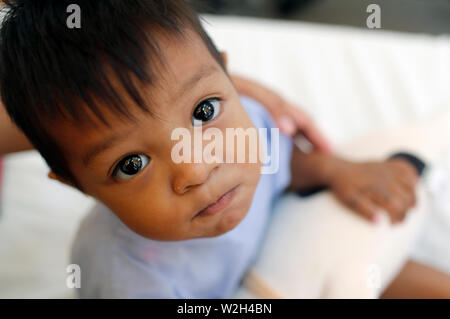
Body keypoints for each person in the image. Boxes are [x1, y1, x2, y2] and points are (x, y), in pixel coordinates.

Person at [0, 0, 448, 298]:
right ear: (76, 185)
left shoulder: (250, 118)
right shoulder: (123, 274)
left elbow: (285, 158)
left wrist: (335, 171)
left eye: (204, 111)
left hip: (280, 246)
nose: (196, 168)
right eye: (131, 164)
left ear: (232, 80)